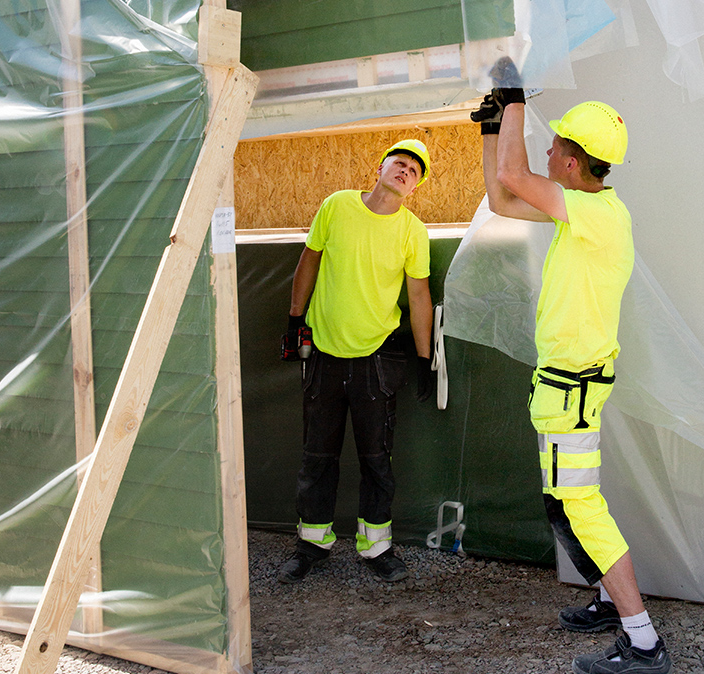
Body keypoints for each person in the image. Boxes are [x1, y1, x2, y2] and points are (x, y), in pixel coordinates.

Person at [473, 68, 672, 674]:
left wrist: (512, 104)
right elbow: (503, 197)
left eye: (556, 142)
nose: (549, 146)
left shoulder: (597, 217)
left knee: (580, 506)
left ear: (571, 162)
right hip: (566, 388)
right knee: (567, 502)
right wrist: (491, 128)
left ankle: (643, 642)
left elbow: (513, 177)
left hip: (571, 391)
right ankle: (612, 603)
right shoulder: (583, 210)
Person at [279, 138, 435, 584]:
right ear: (381, 167)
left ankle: (377, 548)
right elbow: (309, 262)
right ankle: (312, 544)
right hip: (324, 351)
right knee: (317, 456)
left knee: (376, 458)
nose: (405, 171)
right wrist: (294, 320)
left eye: (414, 171)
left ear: (415, 186)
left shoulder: (412, 230)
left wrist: (424, 358)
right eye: (400, 162)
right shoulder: (337, 206)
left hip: (376, 356)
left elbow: (419, 295)